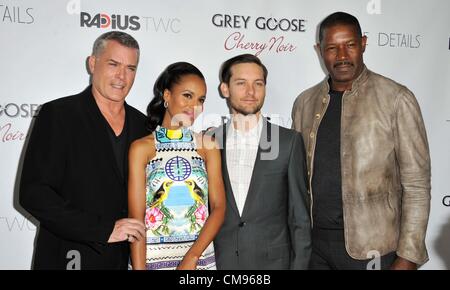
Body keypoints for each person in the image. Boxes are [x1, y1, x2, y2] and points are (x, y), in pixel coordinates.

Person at [291, 12, 431, 270]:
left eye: (350, 45)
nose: (342, 56)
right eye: (332, 48)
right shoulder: (305, 103)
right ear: (319, 50)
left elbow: (417, 185)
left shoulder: (396, 98)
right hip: (313, 249)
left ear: (363, 43)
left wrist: (409, 256)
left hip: (373, 249)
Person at [19, 31, 148, 269]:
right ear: (92, 63)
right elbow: (34, 193)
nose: (122, 76)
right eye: (113, 64)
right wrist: (103, 229)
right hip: (68, 256)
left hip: (126, 261)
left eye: (131, 68)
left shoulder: (144, 125)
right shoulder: (58, 115)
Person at [211, 54, 311, 270]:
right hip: (221, 263)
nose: (251, 92)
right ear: (225, 89)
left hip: (274, 264)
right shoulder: (210, 142)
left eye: (258, 83)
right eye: (241, 83)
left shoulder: (287, 142)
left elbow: (300, 219)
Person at [128, 62, 226, 270]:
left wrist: (192, 258)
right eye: (187, 96)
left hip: (198, 261)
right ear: (167, 95)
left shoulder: (208, 146)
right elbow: (136, 219)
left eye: (201, 100)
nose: (195, 107)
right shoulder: (141, 148)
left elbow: (218, 208)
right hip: (152, 262)